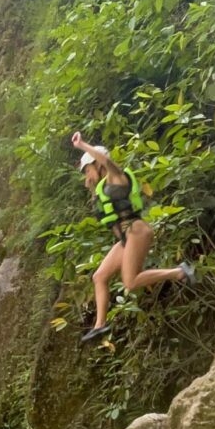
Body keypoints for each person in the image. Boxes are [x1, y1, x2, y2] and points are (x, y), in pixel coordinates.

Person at [71, 132, 195, 343]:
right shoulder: (103, 187)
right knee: (99, 277)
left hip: (137, 231)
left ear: (98, 165)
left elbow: (107, 161)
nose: (88, 176)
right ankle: (100, 325)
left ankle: (180, 272)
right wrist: (90, 181)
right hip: (126, 238)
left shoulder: (117, 177)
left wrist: (82, 145)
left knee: (130, 281)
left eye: (89, 170)